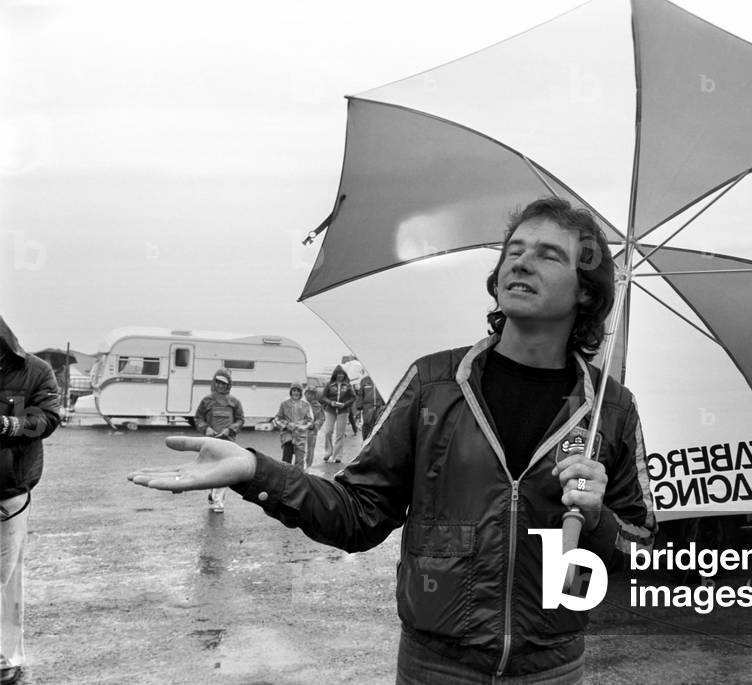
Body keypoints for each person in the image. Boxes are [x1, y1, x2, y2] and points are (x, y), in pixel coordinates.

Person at [129, 197, 656, 683]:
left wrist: (599, 521)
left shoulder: (612, 409)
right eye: (513, 250)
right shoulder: (433, 385)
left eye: (547, 255)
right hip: (436, 668)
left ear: (586, 290)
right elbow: (358, 514)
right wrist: (256, 470)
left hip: (552, 670)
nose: (520, 262)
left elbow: (640, 548)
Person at [1, 316, 61, 685]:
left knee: (6, 576)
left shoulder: (36, 371)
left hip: (10, 490)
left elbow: (49, 418)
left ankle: (7, 655)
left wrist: (9, 424)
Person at [193, 368, 244, 513]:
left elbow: (241, 420)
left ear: (229, 385)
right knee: (212, 470)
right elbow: (198, 418)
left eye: (224, 383)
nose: (221, 386)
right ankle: (214, 494)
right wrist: (206, 428)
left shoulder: (235, 402)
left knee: (224, 471)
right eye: (218, 383)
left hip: (228, 441)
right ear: (214, 383)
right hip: (211, 441)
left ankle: (218, 501)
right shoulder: (206, 401)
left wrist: (230, 429)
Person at [272, 383, 314, 468]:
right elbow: (277, 419)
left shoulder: (305, 405)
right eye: (294, 390)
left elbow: (310, 421)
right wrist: (286, 425)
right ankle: (285, 478)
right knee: (286, 460)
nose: (296, 393)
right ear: (291, 392)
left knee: (299, 462)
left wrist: (303, 426)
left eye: (298, 391)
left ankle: (298, 479)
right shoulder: (284, 404)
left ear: (301, 392)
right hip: (288, 436)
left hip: (300, 436)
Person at [319, 365, 355, 464]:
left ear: (344, 375)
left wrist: (345, 404)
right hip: (330, 410)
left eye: (342, 374)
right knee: (328, 431)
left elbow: (353, 398)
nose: (340, 376)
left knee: (340, 434)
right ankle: (328, 452)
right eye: (338, 374)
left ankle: (337, 456)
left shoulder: (348, 385)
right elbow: (323, 397)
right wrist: (330, 402)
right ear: (335, 374)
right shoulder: (330, 384)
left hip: (343, 411)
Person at [354, 374, 384, 441]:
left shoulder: (382, 379)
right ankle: (366, 443)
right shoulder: (364, 380)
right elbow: (360, 395)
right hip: (367, 408)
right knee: (367, 426)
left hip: (380, 407)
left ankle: (377, 445)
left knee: (379, 427)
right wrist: (359, 408)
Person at [304, 386, 326, 470]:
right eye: (308, 393)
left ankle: (308, 467)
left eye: (312, 394)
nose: (310, 396)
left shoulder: (317, 406)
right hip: (300, 431)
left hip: (312, 431)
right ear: (305, 394)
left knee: (310, 450)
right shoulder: (300, 404)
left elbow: (321, 418)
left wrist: (315, 425)